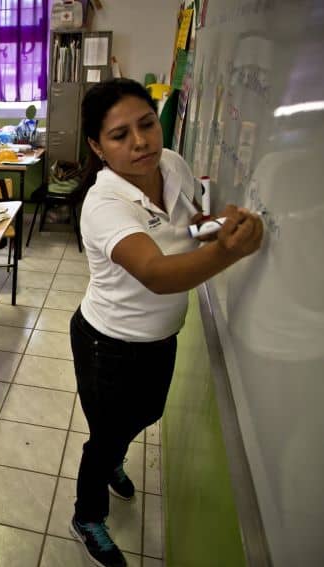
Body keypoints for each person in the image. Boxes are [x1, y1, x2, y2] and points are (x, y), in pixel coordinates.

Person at [69, 78, 263, 567]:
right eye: (119, 135)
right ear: (97, 146)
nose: (140, 142)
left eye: (146, 124)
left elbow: (191, 225)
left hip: (159, 335)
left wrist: (222, 226)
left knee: (146, 414)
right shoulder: (104, 205)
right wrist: (228, 251)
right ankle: (87, 515)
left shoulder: (169, 163)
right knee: (106, 433)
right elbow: (155, 273)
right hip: (107, 343)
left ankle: (112, 459)